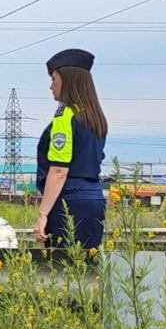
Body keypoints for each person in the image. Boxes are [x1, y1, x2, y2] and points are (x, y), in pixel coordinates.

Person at [34, 48, 108, 250]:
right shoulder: (95, 117)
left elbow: (59, 170)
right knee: (88, 269)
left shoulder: (65, 117)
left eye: (54, 79)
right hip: (93, 199)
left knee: (61, 268)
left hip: (69, 202)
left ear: (67, 81)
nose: (51, 86)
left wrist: (43, 214)